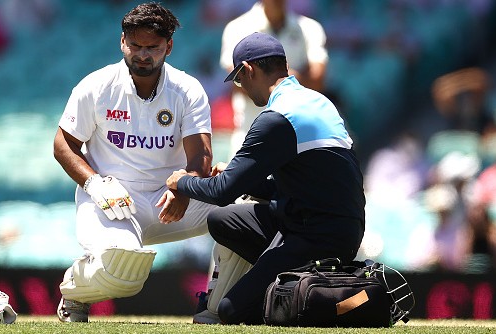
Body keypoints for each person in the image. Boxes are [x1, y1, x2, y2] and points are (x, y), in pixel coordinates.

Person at [166, 32, 365, 325]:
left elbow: (222, 191)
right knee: (223, 219)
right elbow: (306, 187)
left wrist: (180, 182)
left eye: (238, 79)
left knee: (232, 311)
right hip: (335, 227)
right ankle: (281, 281)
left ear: (248, 70)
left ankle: (303, 291)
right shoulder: (318, 102)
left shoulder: (277, 117)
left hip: (316, 238)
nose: (241, 88)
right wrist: (244, 180)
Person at [52, 2, 216, 322]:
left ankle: (221, 305)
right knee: (124, 275)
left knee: (242, 209)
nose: (142, 55)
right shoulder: (96, 86)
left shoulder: (187, 89)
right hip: (112, 202)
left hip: (170, 200)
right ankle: (74, 291)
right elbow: (63, 145)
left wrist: (184, 188)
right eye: (135, 46)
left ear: (168, 46)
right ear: (122, 42)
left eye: (152, 48)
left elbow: (200, 156)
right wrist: (94, 182)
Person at [219, 0, 328, 159]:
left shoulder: (311, 29)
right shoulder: (237, 28)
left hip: (299, 141)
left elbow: (317, 81)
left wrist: (264, 76)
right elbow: (238, 83)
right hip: (251, 138)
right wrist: (293, 78)